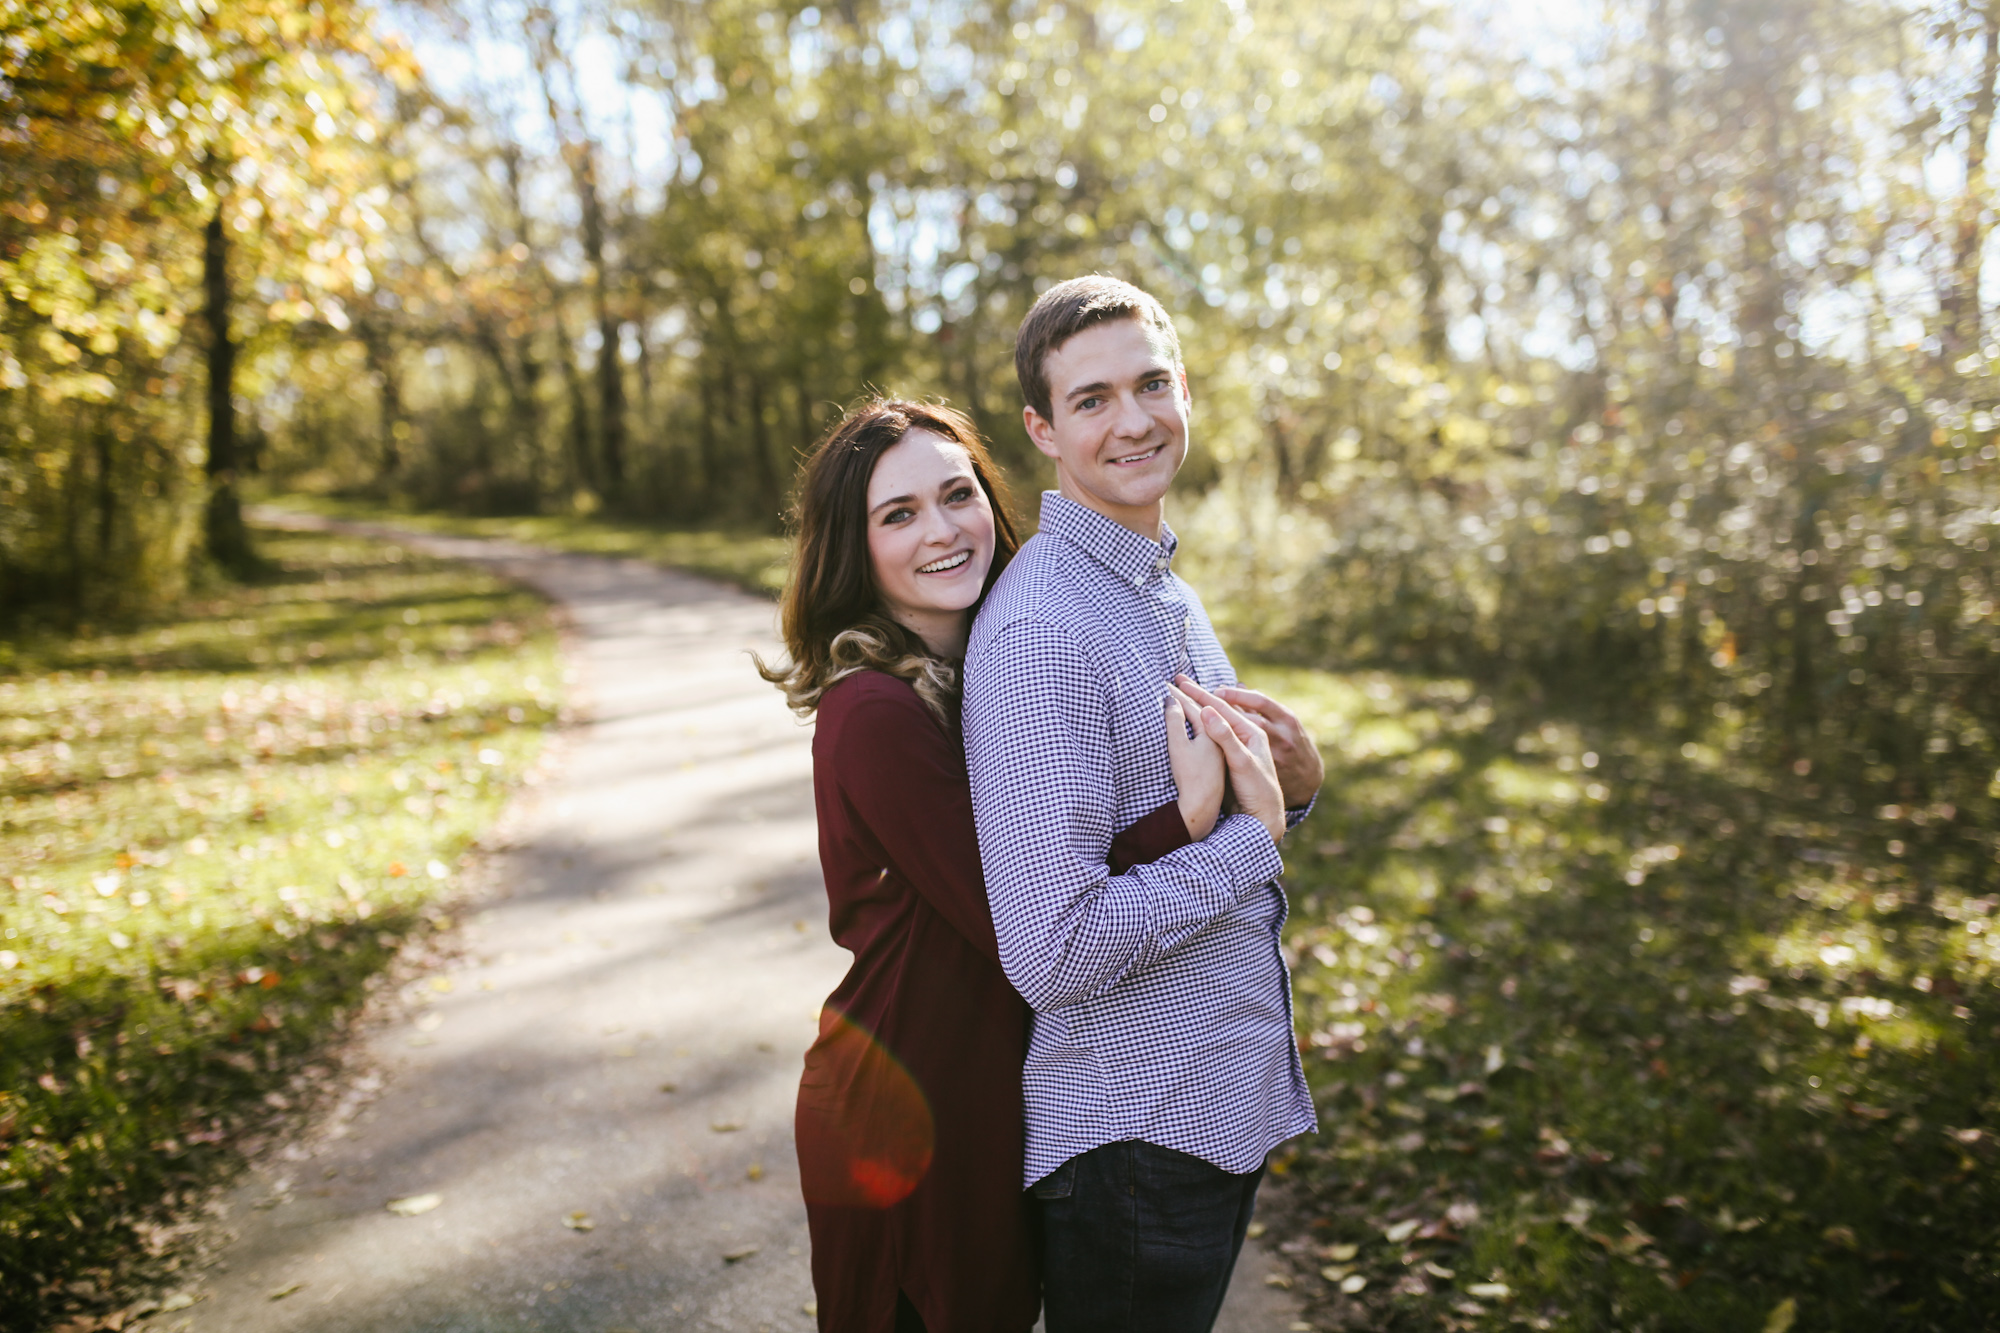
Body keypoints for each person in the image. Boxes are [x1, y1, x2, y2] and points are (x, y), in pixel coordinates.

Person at [758, 398, 1279, 1333]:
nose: (945, 529)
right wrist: (1189, 820)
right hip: (911, 1102)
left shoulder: (979, 674)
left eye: (957, 495)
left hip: (984, 1093)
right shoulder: (874, 712)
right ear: (853, 547)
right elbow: (1022, 915)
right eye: (899, 513)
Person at [963, 276, 1328, 1333]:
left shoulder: (1160, 589)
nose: (1131, 420)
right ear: (1041, 428)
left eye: (1150, 383)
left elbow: (1200, 808)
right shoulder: (1042, 632)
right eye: (1090, 400)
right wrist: (1255, 844)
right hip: (1133, 1144)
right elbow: (1049, 946)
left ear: (1184, 390)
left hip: (1205, 1117)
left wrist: (1288, 796)